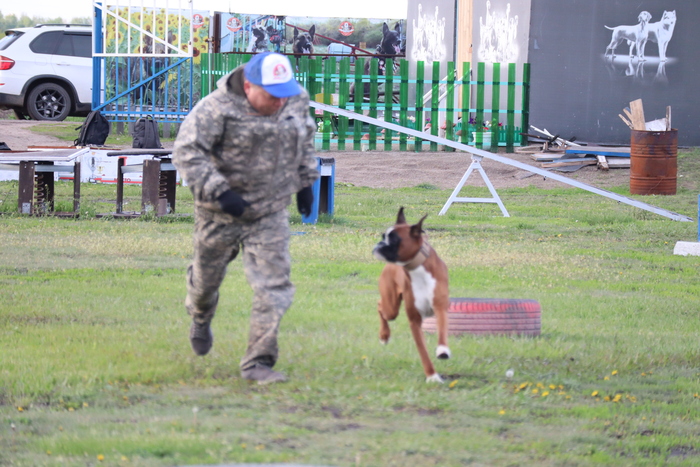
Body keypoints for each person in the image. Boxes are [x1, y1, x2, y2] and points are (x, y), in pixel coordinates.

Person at [172, 52, 319, 384]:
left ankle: (258, 362)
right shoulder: (216, 108)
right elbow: (186, 152)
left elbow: (305, 138)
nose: (279, 102)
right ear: (249, 86)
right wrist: (220, 192)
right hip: (218, 213)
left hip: (269, 211)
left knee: (274, 285)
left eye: (283, 94)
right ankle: (200, 317)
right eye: (271, 95)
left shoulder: (293, 99)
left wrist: (306, 183)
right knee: (205, 284)